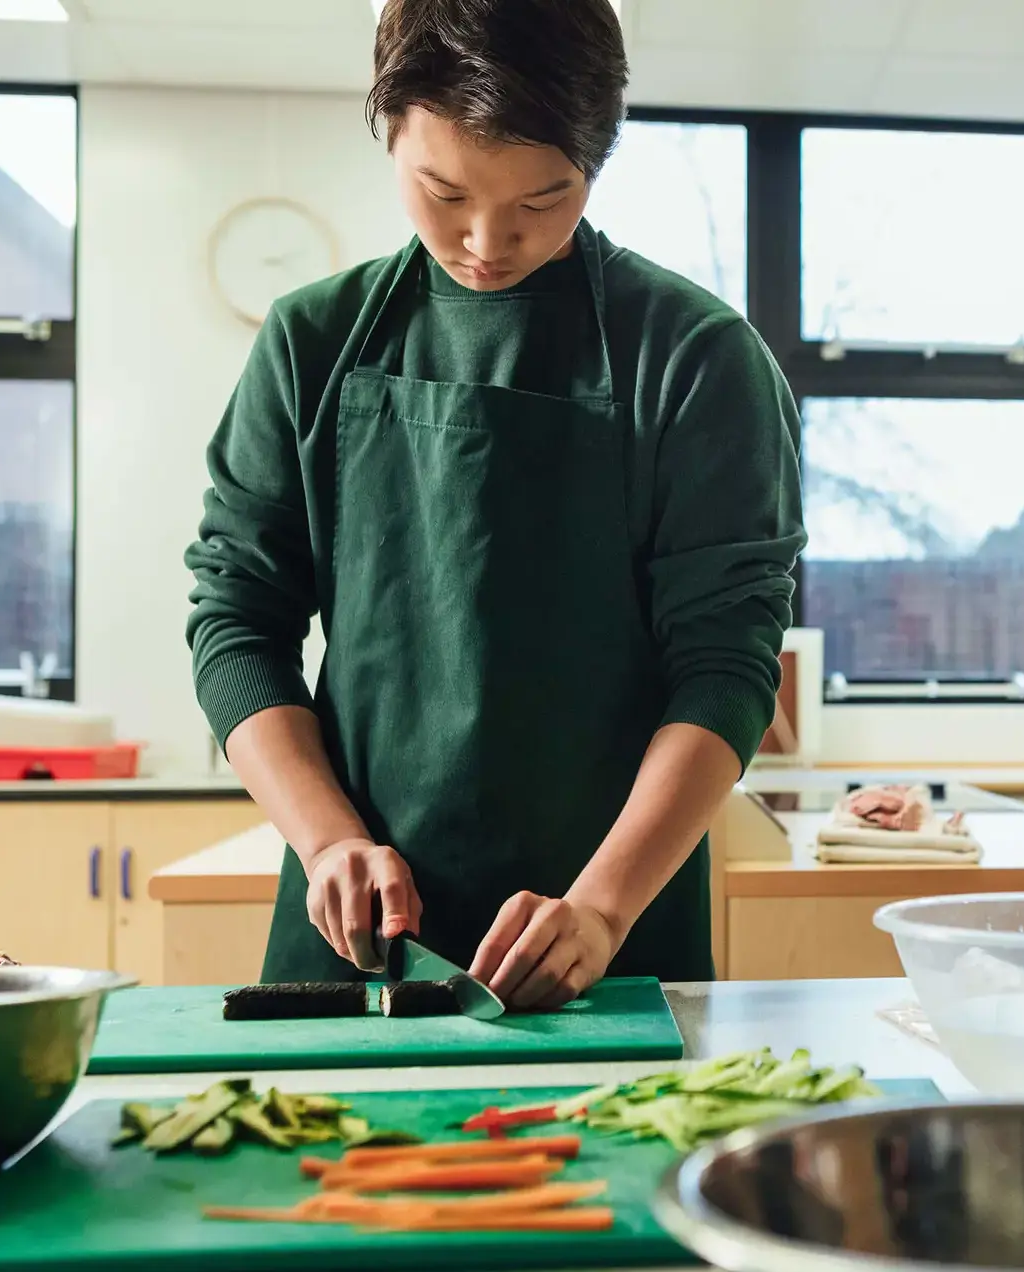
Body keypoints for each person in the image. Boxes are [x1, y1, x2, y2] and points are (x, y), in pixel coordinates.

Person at [183, 0, 802, 1009]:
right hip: (359, 942)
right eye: (445, 191)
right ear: (390, 131)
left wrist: (602, 907)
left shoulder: (695, 357)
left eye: (542, 200)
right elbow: (236, 622)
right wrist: (328, 838)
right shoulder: (312, 342)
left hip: (608, 945)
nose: (485, 240)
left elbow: (726, 667)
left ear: (597, 160)